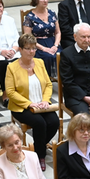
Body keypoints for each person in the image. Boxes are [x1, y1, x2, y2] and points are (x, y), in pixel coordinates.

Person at [6, 34, 59, 171]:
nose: (31, 52)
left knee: (54, 122)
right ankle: (40, 156)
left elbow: (48, 84)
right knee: (40, 123)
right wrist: (29, 103)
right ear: (20, 49)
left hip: (41, 104)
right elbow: (10, 92)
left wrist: (45, 100)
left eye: (34, 48)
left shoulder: (39, 62)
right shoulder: (12, 67)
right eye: (28, 48)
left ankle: (37, 146)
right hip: (21, 107)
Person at [22, 0, 61, 77]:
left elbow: (58, 32)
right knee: (48, 56)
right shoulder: (30, 17)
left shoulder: (52, 13)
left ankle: (62, 81)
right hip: (37, 45)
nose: (45, 1)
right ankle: (45, 80)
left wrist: (55, 45)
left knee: (63, 55)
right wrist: (43, 48)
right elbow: (27, 37)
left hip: (52, 43)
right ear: (36, 0)